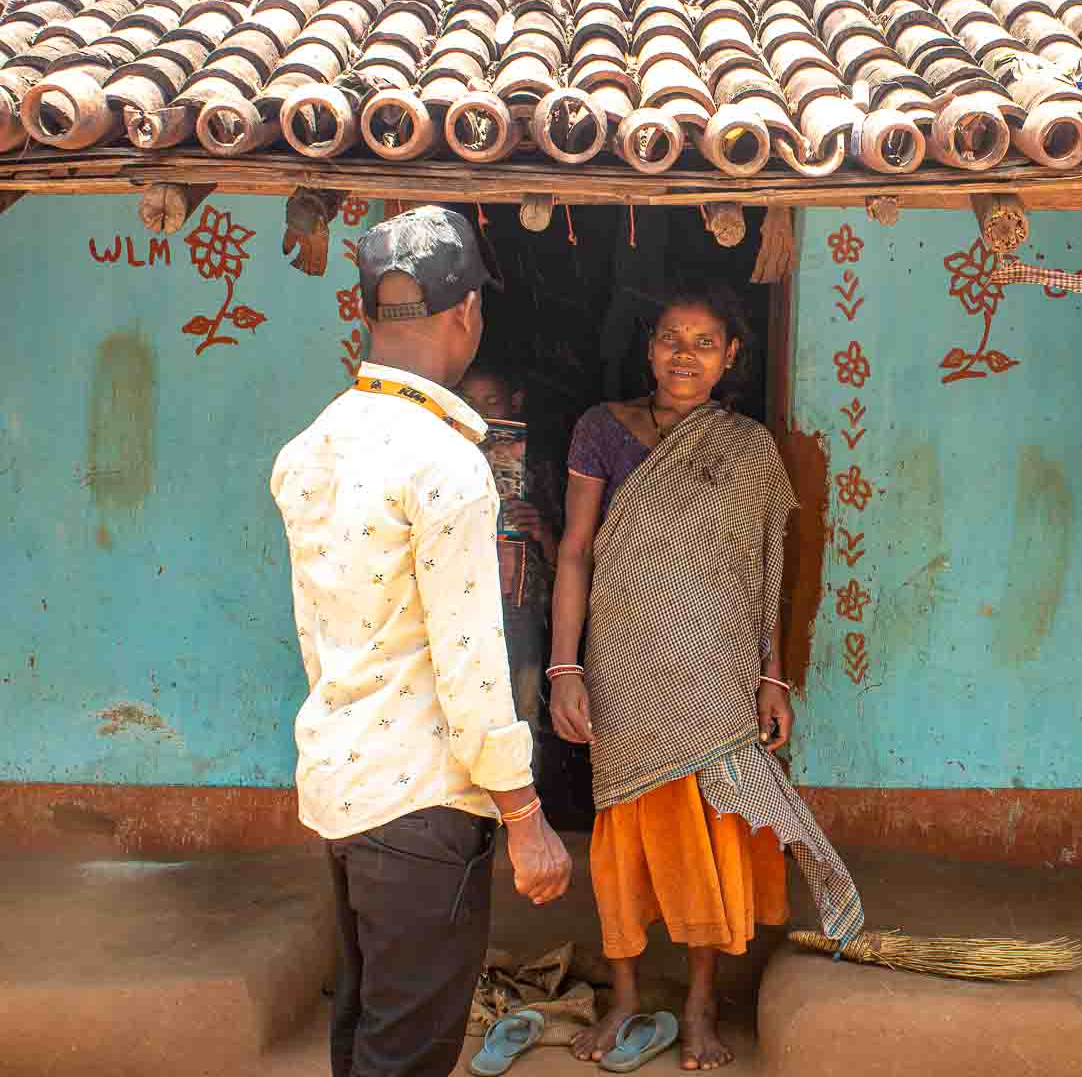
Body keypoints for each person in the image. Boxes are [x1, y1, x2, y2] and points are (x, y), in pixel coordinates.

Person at [270, 205, 572, 1077]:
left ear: (369, 310)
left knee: (367, 1035)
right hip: (424, 804)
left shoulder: (314, 447)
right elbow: (470, 662)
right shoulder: (445, 463)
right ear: (468, 311)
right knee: (405, 1054)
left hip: (341, 785)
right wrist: (524, 818)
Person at [549, 281, 864, 1071]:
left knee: (709, 839)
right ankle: (624, 999)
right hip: (622, 665)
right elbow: (576, 551)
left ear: (731, 358)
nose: (683, 356)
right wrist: (564, 667)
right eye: (669, 337)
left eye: (704, 343)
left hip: (714, 672)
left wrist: (773, 678)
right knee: (622, 837)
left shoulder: (748, 447)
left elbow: (766, 572)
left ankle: (698, 1007)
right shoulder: (600, 429)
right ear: (647, 344)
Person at [458, 362, 560, 787]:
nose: (480, 411)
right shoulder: (445, 455)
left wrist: (539, 529)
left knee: (521, 707)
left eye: (491, 401)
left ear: (514, 402)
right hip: (461, 605)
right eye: (469, 401)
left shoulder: (539, 467)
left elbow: (569, 552)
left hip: (520, 603)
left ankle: (522, 808)